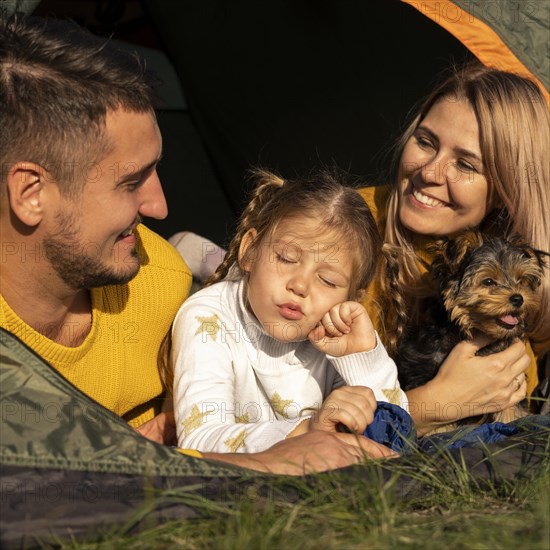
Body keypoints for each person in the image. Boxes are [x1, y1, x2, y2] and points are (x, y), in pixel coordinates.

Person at [0, 13, 395, 474]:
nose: (160, 205)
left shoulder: (156, 279)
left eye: (156, 169)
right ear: (31, 193)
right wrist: (273, 459)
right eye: (132, 182)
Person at [358, 64, 550, 435]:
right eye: (425, 141)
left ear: (505, 190)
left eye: (465, 164)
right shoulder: (339, 232)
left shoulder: (515, 252)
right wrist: (434, 403)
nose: (430, 172)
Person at [170, 169, 408, 453]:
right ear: (249, 251)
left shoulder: (335, 337)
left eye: (328, 281)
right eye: (286, 258)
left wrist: (364, 360)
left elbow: (396, 439)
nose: (300, 285)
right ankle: (206, 258)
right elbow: (199, 441)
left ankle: (209, 256)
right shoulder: (209, 318)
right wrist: (308, 430)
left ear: (351, 299)